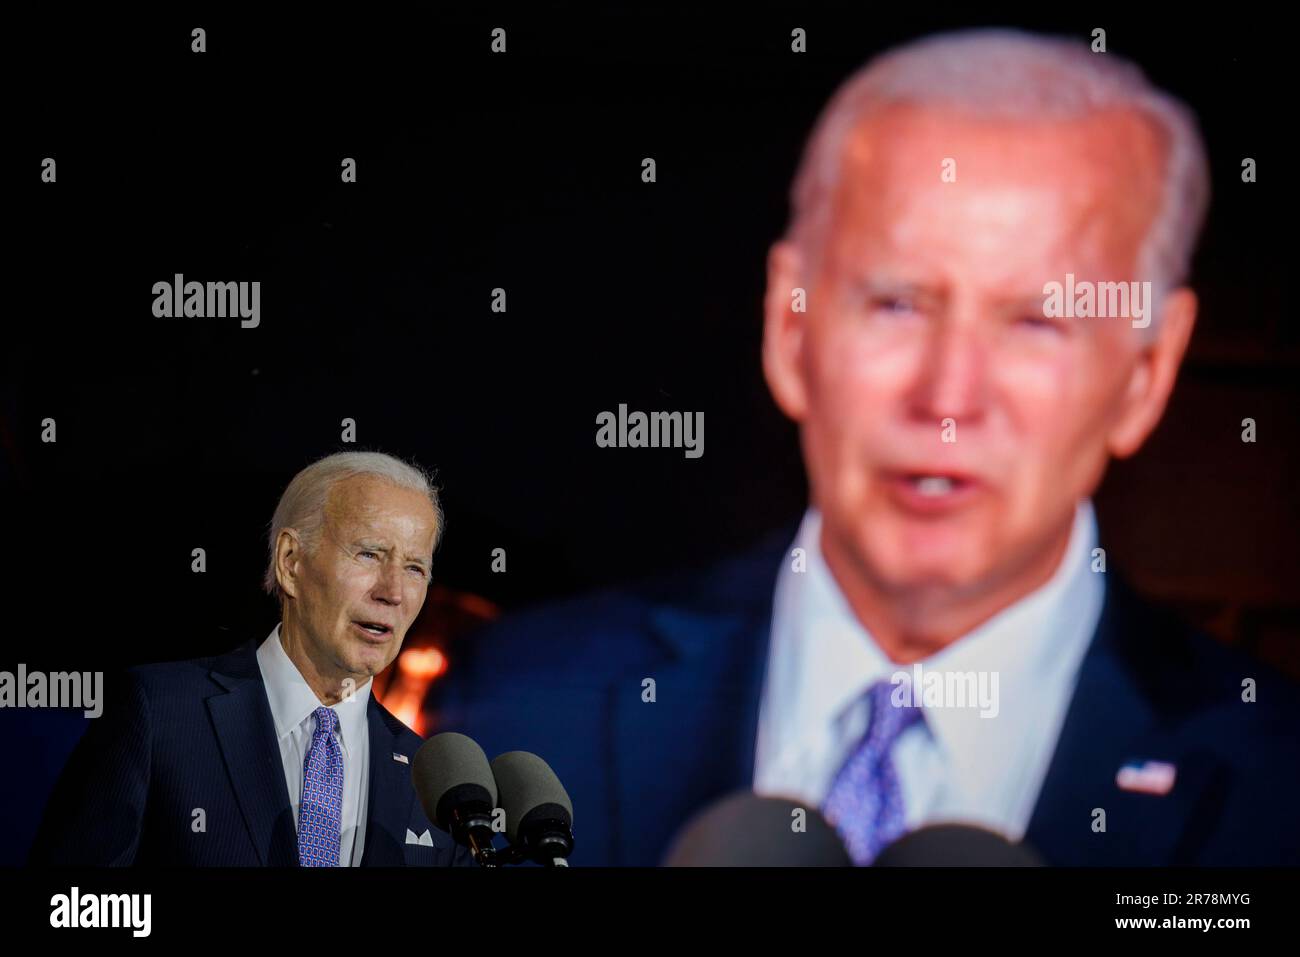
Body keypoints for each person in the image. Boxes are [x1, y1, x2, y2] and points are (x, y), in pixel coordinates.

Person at [434, 29, 1300, 866]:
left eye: (1037, 320)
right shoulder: (511, 712)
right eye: (895, 304)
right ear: (788, 325)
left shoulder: (1277, 790)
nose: (948, 397)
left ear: (1146, 373)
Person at [30, 451, 473, 866]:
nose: (392, 592)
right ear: (290, 561)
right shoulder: (160, 715)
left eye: (415, 568)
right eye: (369, 554)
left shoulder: (434, 784)